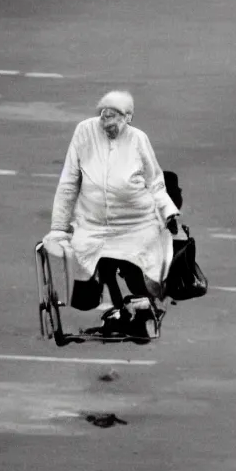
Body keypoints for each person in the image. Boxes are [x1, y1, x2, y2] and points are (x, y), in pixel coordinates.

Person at [43, 91, 180, 336]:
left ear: (128, 118)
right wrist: (58, 228)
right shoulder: (84, 132)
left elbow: (155, 182)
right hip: (93, 225)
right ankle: (117, 305)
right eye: (104, 116)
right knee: (85, 295)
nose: (107, 123)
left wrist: (169, 213)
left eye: (114, 117)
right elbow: (68, 183)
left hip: (136, 223)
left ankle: (139, 308)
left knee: (142, 263)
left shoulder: (138, 139)